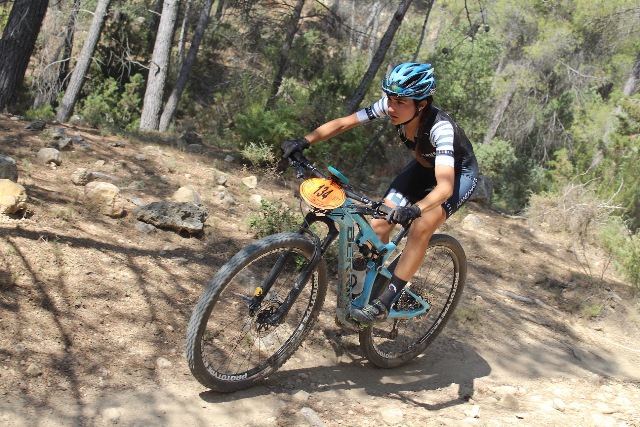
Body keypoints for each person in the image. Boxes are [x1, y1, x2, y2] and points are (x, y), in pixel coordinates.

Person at [282, 62, 479, 324]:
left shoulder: (440, 128)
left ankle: (387, 301)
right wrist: (303, 141)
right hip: (423, 168)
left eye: (400, 101)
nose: (390, 107)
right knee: (377, 225)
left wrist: (415, 209)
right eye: (389, 98)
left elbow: (445, 187)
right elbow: (345, 123)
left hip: (458, 176)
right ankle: (361, 297)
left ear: (421, 104)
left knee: (421, 226)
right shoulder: (390, 105)